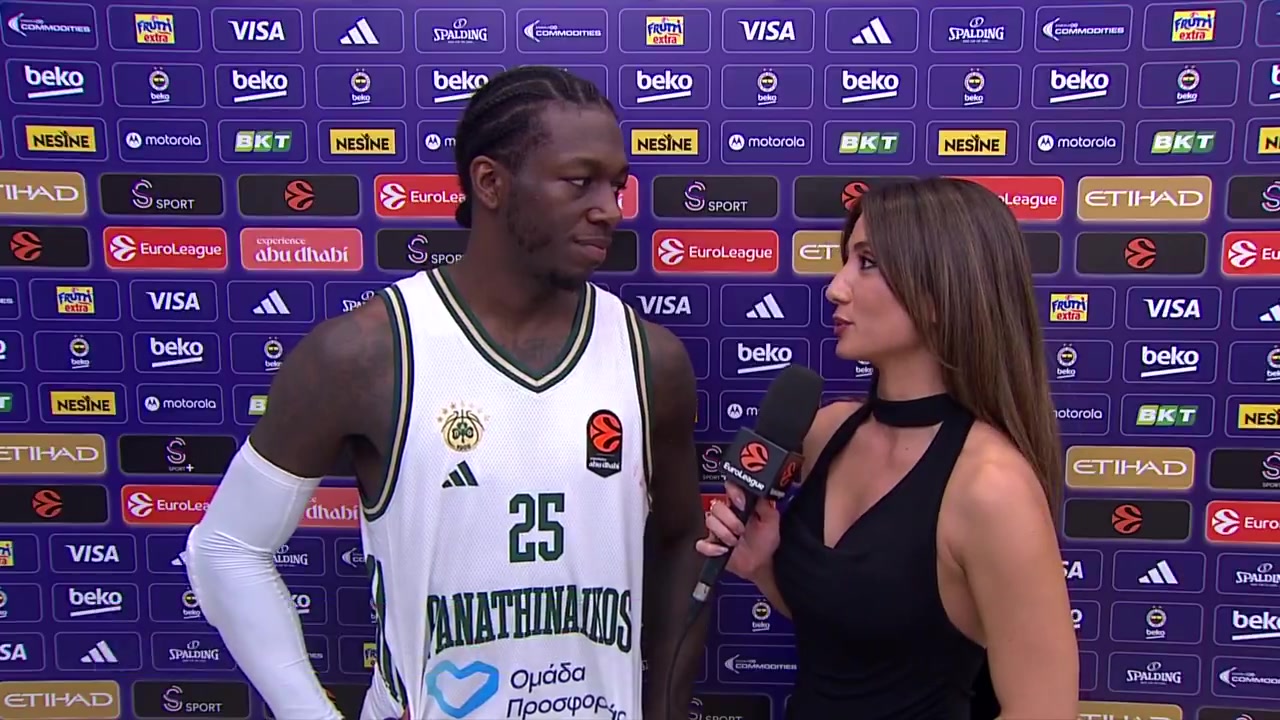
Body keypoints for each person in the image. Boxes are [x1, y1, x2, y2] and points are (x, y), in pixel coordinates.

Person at [184, 66, 708, 720]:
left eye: (617, 184)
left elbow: (683, 542)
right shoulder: (367, 353)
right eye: (580, 182)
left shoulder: (649, 359)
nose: (611, 208)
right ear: (490, 182)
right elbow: (225, 549)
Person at [697, 177, 1078, 719]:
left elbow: (1043, 710)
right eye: (846, 262)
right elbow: (855, 635)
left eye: (868, 263)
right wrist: (761, 568)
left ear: (941, 292)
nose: (836, 288)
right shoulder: (826, 432)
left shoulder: (991, 488)